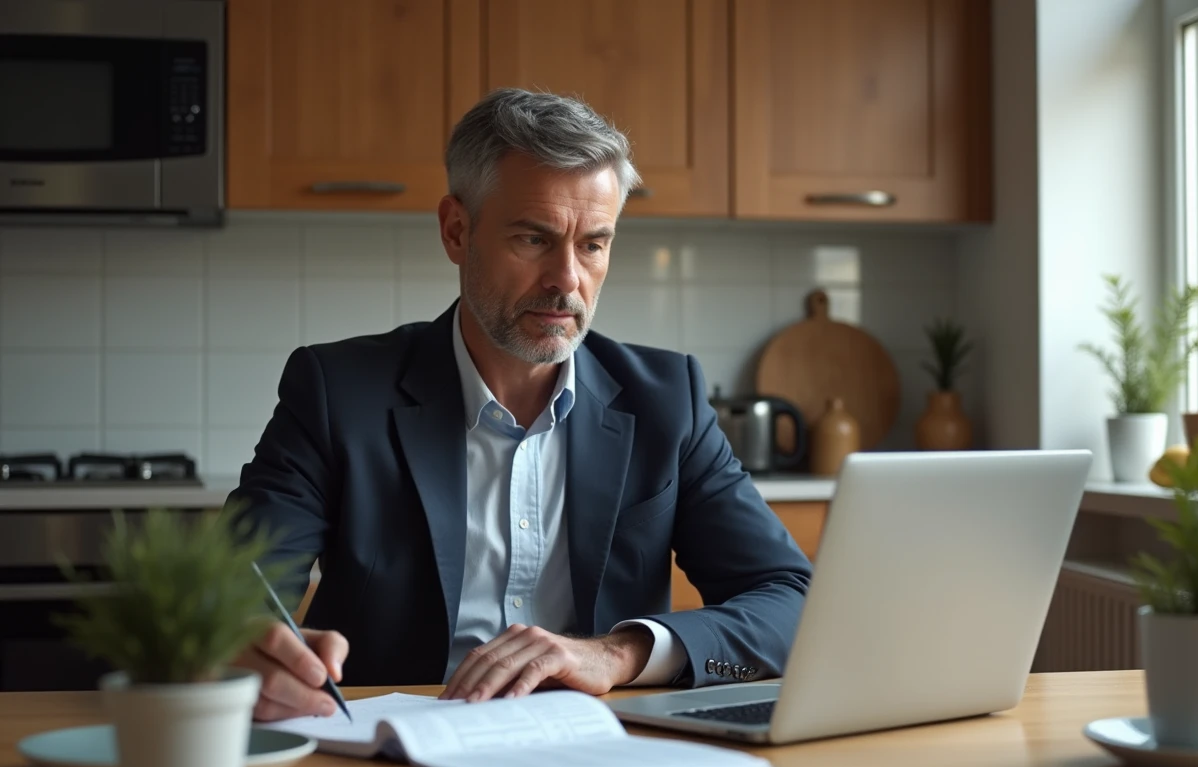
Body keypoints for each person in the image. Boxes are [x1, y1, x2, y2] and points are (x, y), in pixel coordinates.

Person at [225, 88, 813, 723]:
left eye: (593, 244)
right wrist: (246, 647)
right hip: (394, 746)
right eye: (534, 239)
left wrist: (618, 654)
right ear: (457, 230)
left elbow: (792, 601)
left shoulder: (668, 400)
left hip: (607, 748)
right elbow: (230, 597)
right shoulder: (337, 392)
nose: (567, 280)